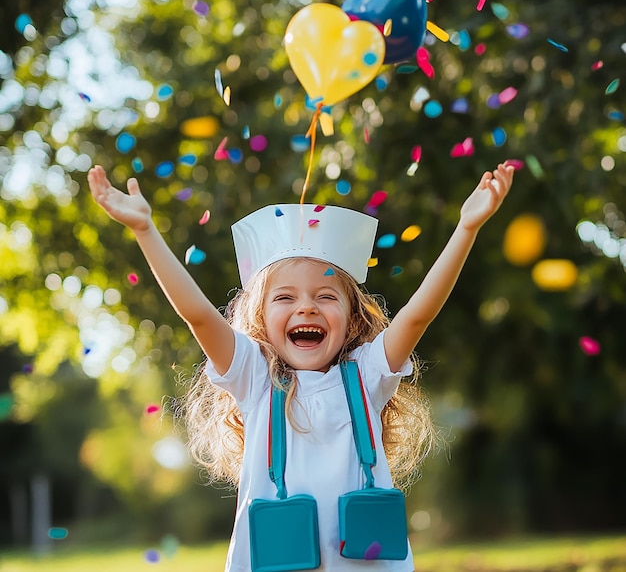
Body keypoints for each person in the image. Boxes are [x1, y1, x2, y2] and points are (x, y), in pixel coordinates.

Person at [87, 162, 514, 571]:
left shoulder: (366, 376)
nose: (306, 307)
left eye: (326, 296)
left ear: (352, 317)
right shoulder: (255, 377)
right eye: (285, 297)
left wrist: (466, 228)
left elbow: (419, 314)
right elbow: (198, 315)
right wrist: (145, 231)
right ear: (260, 317)